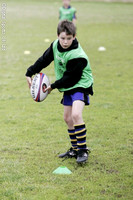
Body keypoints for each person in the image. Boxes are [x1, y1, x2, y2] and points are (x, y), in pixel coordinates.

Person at [25, 20, 93, 164]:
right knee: (67, 118)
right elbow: (44, 60)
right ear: (57, 36)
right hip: (68, 84)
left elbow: (71, 78)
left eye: (69, 38)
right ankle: (74, 149)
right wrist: (29, 72)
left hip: (80, 83)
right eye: (62, 38)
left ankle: (82, 150)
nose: (65, 42)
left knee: (76, 114)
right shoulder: (55, 45)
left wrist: (52, 86)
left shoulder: (77, 55)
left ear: (74, 36)